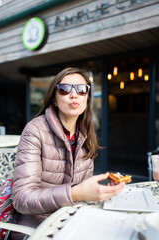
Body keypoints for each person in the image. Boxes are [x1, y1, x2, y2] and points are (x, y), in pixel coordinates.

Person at [12, 67, 125, 239]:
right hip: (36, 226)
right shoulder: (35, 130)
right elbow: (22, 199)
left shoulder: (86, 133)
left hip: (72, 220)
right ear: (55, 99)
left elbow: (83, 190)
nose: (74, 95)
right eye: (65, 90)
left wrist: (97, 192)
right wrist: (76, 193)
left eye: (81, 90)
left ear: (87, 98)